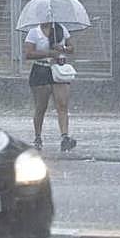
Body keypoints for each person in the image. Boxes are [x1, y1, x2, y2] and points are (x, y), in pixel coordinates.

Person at [23, 21, 77, 152]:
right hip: (41, 70)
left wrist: (62, 49)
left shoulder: (60, 29)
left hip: (59, 69)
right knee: (41, 107)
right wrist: (48, 53)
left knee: (62, 104)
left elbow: (72, 48)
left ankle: (65, 137)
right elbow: (28, 53)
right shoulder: (34, 32)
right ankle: (38, 136)